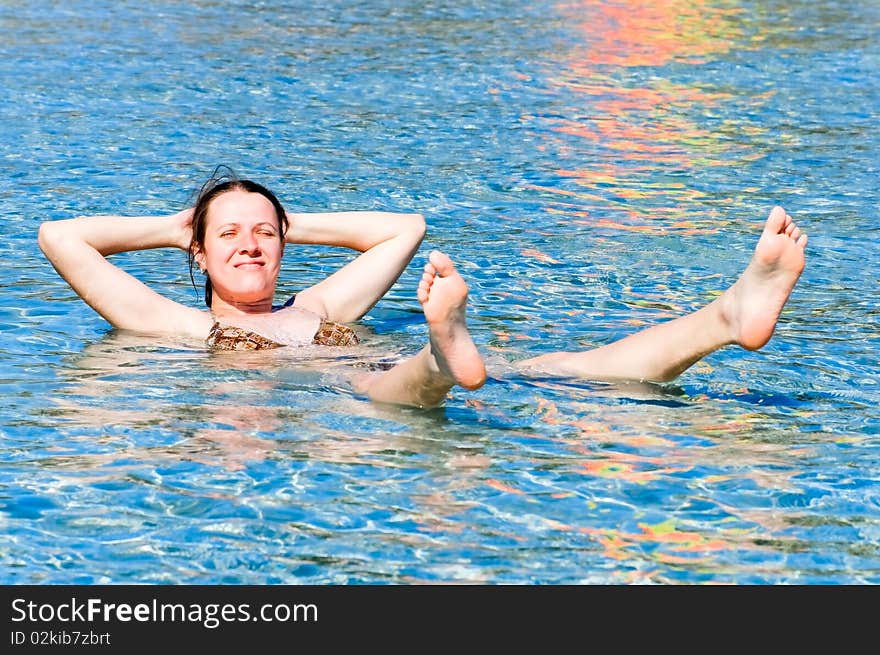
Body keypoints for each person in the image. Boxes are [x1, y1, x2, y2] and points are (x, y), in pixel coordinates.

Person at [38, 171, 807, 407]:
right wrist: (179, 223)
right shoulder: (174, 325)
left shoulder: (318, 306)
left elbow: (402, 226)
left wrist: (288, 216)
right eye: (228, 235)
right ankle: (442, 354)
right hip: (347, 401)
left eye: (263, 234)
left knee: (582, 365)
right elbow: (58, 236)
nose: (249, 243)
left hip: (366, 372)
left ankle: (726, 314)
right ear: (198, 254)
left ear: (284, 247)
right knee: (395, 381)